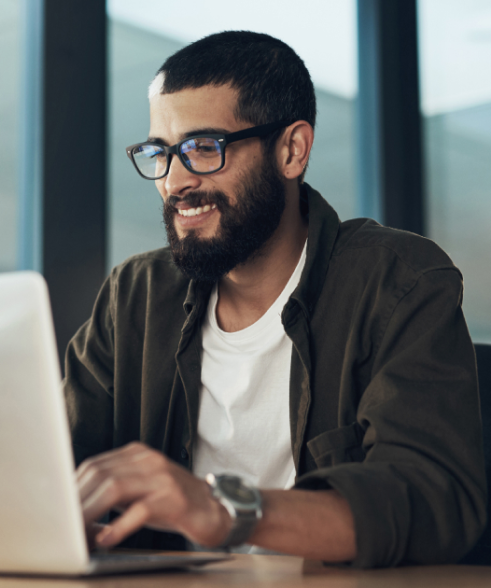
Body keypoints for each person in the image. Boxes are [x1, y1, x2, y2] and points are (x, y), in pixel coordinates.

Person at [63, 31, 487, 568]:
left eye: (203, 148)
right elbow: (52, 464)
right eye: (160, 152)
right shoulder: (135, 296)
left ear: (292, 150)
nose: (173, 181)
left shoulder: (398, 280)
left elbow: (431, 498)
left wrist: (226, 510)